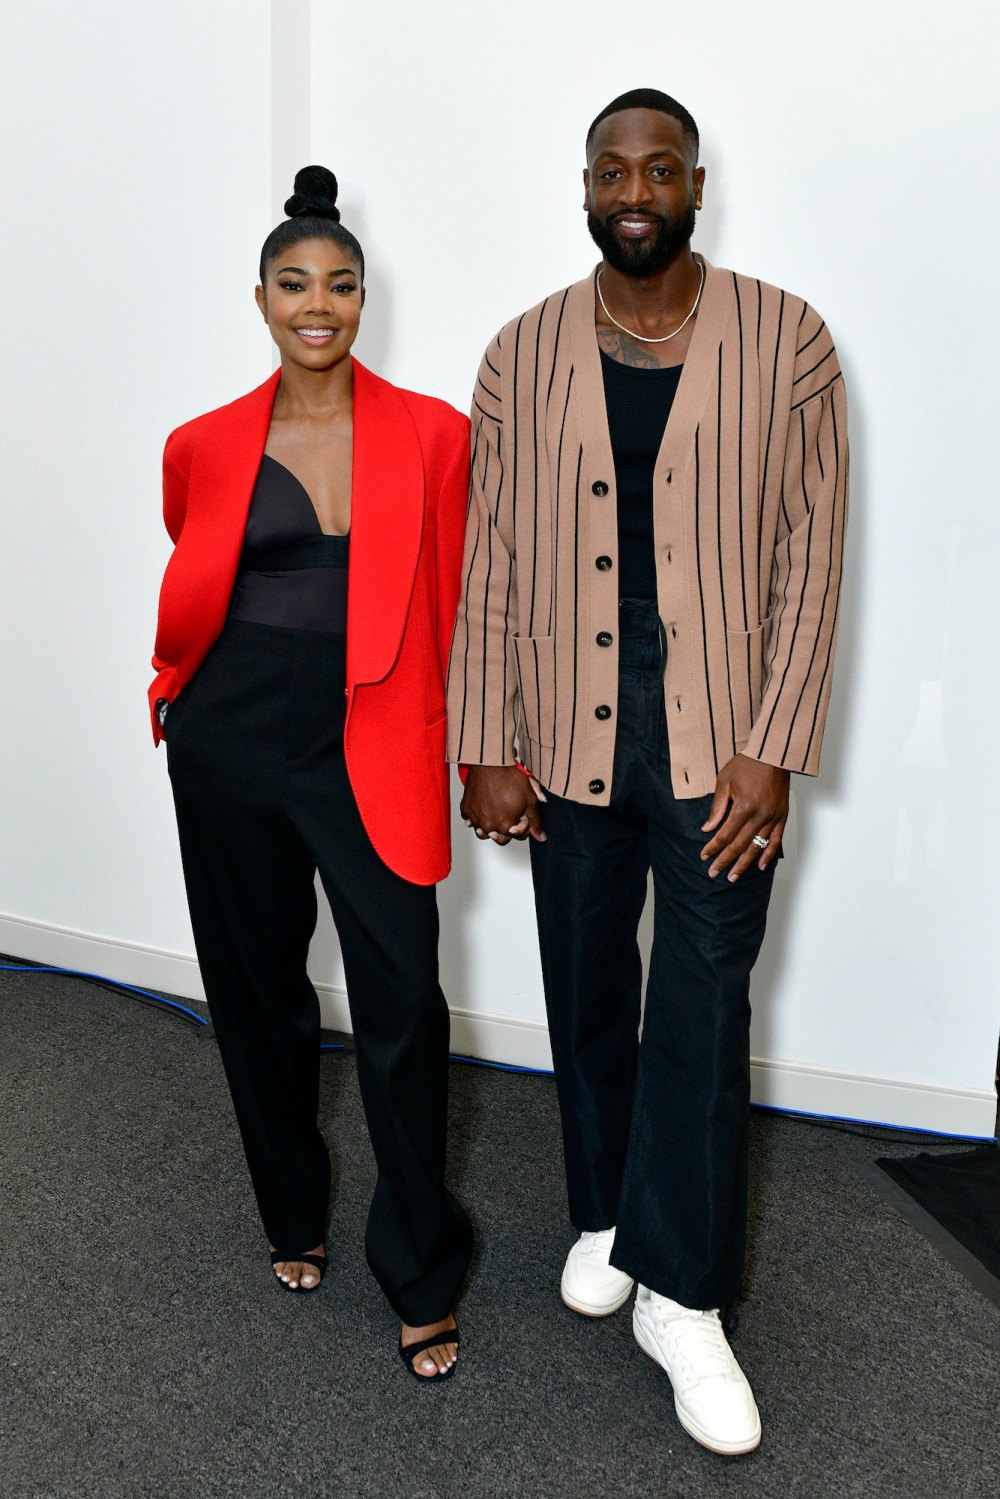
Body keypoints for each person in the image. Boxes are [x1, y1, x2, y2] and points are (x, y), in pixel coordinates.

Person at [448, 90, 848, 1450]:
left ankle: (684, 1293)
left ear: (695, 186)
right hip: (565, 740)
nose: (638, 187)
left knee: (703, 997)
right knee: (584, 980)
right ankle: (610, 1208)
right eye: (614, 168)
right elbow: (491, 558)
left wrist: (776, 745)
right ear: (584, 188)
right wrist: (485, 737)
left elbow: (812, 556)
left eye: (661, 168)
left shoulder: (789, 340)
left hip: (721, 751)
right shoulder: (521, 353)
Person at [150, 166, 472, 1381]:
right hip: (229, 736)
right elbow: (194, 561)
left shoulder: (437, 432)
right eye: (295, 283)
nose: (317, 302)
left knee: (402, 1009)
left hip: (374, 739)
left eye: (339, 282)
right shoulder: (205, 441)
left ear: (363, 297)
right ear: (261, 299)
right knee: (257, 989)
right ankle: (294, 1212)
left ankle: (421, 1266)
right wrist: (176, 693)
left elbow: (460, 598)